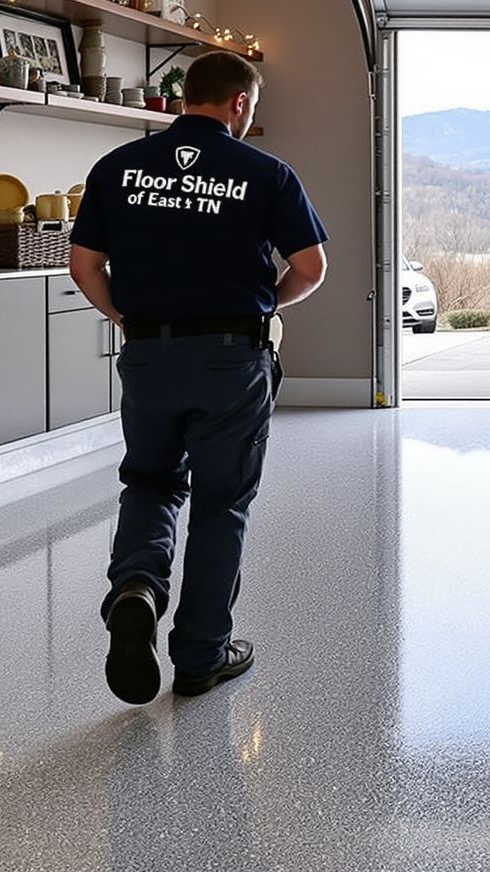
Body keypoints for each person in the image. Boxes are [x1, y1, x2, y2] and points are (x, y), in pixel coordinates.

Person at [69, 50, 328, 703]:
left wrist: (121, 312)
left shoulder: (117, 168)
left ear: (187, 95)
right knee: (221, 502)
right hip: (232, 359)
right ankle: (201, 655)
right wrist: (267, 299)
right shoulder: (266, 173)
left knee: (151, 481)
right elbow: (311, 266)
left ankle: (136, 589)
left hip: (149, 354)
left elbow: (83, 265)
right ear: (239, 103)